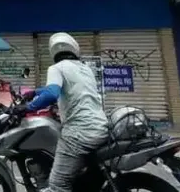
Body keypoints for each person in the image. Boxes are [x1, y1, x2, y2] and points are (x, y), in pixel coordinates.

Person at [11, 33, 109, 192]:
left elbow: (51, 94)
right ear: (74, 49)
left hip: (79, 134)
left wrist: (27, 108)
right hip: (101, 128)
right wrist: (35, 92)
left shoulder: (56, 68)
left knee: (57, 185)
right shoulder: (85, 69)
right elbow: (68, 87)